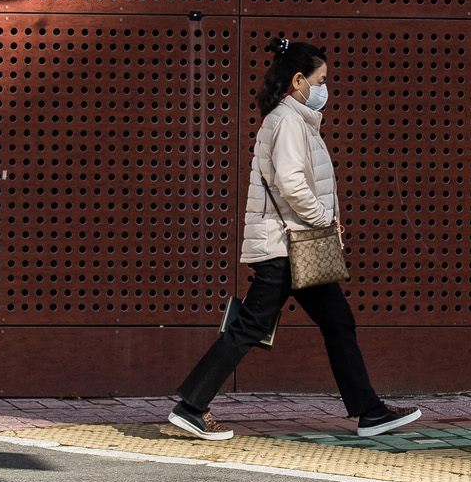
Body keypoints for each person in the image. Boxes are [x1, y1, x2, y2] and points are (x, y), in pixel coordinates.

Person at [167, 37, 421, 441]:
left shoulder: (295, 121)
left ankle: (370, 411)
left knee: (336, 321)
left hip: (296, 244)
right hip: (285, 246)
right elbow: (291, 183)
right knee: (253, 326)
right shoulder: (287, 121)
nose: (325, 88)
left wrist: (322, 222)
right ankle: (191, 406)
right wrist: (323, 220)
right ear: (299, 80)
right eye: (321, 80)